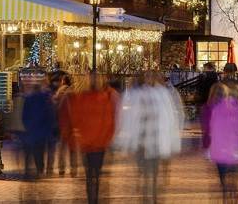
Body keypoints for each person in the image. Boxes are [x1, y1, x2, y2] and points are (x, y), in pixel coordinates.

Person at [115, 71, 184, 203]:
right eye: (146, 77)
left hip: (156, 140)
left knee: (154, 171)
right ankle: (146, 195)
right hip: (142, 141)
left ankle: (153, 195)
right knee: (145, 170)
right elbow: (130, 117)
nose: (148, 79)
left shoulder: (161, 94)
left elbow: (168, 117)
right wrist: (128, 140)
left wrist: (170, 138)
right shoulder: (139, 94)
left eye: (150, 77)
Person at [68, 75, 118, 204]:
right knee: (96, 174)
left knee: (89, 174)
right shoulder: (103, 98)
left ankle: (91, 199)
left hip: (87, 143)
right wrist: (106, 138)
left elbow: (75, 120)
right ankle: (94, 197)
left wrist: (80, 136)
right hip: (99, 144)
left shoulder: (81, 98)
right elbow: (109, 121)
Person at [205, 82, 238, 204]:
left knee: (223, 183)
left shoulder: (216, 109)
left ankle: (226, 197)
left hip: (220, 152)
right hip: (236, 151)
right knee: (234, 183)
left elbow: (212, 128)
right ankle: (234, 196)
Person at [20, 81, 55, 179]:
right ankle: (40, 169)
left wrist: (27, 127)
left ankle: (31, 170)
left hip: (32, 130)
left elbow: (24, 116)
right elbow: (49, 115)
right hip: (42, 131)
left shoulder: (29, 99)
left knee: (33, 151)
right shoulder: (45, 99)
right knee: (40, 151)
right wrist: (49, 128)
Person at [53, 74, 77, 177]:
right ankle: (73, 169)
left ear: (63, 81)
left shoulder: (59, 93)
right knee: (72, 148)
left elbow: (55, 107)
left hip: (62, 123)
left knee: (62, 147)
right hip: (72, 123)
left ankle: (61, 168)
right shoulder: (74, 93)